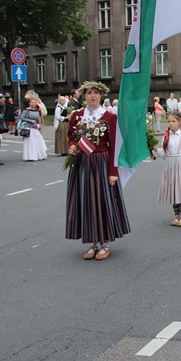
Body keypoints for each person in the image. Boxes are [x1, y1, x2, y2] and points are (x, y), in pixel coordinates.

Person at [66, 81, 130, 260]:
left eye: (95, 93)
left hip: (101, 162)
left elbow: (114, 146)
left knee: (102, 201)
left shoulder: (109, 116)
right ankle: (92, 242)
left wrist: (113, 171)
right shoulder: (77, 115)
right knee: (86, 201)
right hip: (82, 164)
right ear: (84, 95)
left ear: (101, 95)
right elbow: (71, 137)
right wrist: (71, 147)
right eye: (89, 93)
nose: (92, 96)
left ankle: (105, 243)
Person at [18, 96, 48, 162]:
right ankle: (31, 156)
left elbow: (39, 119)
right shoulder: (27, 110)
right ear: (29, 103)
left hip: (36, 128)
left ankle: (40, 155)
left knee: (38, 141)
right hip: (29, 128)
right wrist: (30, 120)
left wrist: (39, 126)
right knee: (31, 142)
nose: (33, 104)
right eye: (32, 102)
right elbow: (22, 118)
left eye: (34, 102)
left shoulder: (38, 111)